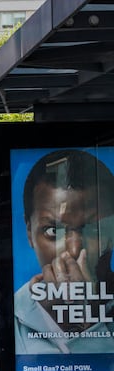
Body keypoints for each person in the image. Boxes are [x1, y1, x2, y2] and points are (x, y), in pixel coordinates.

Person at [14, 149, 114, 354]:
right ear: (29, 232)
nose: (74, 250)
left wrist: (84, 324)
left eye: (94, 230)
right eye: (53, 231)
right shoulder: (13, 314)